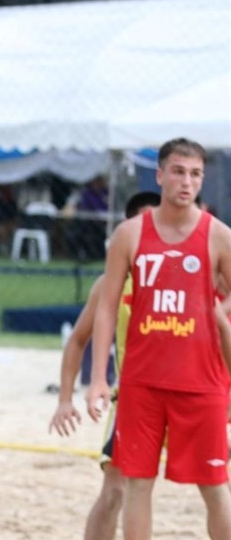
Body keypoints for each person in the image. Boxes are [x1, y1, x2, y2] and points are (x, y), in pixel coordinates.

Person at [87, 138, 231, 540]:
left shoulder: (219, 236)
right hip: (141, 382)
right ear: (161, 174)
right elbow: (105, 307)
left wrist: (218, 315)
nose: (187, 182)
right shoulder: (130, 234)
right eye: (179, 171)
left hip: (202, 382)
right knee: (137, 483)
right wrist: (99, 377)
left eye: (196, 174)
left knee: (215, 485)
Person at [48, 191, 160, 540]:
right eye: (144, 224)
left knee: (215, 488)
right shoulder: (111, 283)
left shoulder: (189, 271)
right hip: (133, 399)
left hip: (189, 392)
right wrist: (65, 399)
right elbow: (78, 340)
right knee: (115, 492)